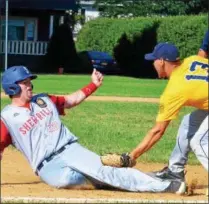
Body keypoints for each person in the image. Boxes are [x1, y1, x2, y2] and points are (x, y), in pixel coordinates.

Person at [0, 65, 186, 194]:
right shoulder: (7, 118)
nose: (30, 85)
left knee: (106, 173)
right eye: (24, 82)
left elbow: (70, 100)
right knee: (69, 180)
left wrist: (93, 85)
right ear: (12, 87)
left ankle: (167, 186)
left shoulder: (43, 100)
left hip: (70, 150)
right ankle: (120, 174)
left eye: (29, 81)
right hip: (47, 167)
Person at [129, 42, 208, 182]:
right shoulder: (192, 60)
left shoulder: (174, 89)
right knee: (187, 123)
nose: (153, 63)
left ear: (161, 61)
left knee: (199, 141)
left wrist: (132, 156)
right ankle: (175, 171)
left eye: (154, 60)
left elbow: (158, 131)